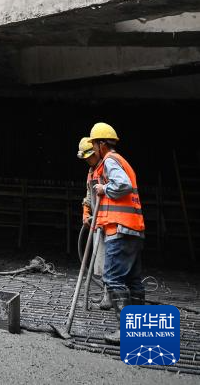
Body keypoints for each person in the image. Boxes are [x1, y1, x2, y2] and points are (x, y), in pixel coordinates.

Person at [90, 122, 146, 344]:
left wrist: (104, 189)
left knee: (112, 278)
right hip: (133, 229)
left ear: (102, 144)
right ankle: (139, 329)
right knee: (133, 281)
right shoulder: (123, 161)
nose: (94, 148)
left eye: (94, 144)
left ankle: (125, 332)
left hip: (120, 230)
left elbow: (121, 185)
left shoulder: (110, 161)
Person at [77, 136, 110, 309]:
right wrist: (86, 211)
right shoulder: (91, 172)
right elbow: (89, 195)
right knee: (100, 262)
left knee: (109, 262)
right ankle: (107, 296)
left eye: (90, 156)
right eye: (86, 158)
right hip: (97, 222)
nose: (88, 160)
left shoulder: (106, 167)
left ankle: (110, 297)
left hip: (109, 221)